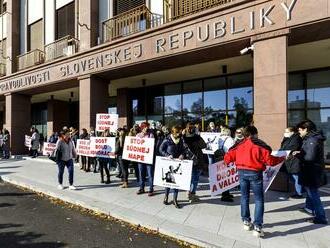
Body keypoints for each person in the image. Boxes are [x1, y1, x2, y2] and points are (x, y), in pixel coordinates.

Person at [224, 126, 285, 237]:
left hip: (242, 172)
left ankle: (246, 221)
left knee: (244, 197)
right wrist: (282, 158)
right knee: (258, 199)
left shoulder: (238, 144)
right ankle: (257, 227)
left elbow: (227, 158)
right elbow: (270, 161)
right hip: (255, 173)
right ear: (254, 134)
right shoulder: (259, 145)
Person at [293, 120, 328, 225]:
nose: (299, 132)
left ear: (306, 129)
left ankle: (321, 217)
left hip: (311, 172)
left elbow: (309, 157)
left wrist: (298, 155)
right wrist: (301, 152)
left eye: (300, 130)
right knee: (312, 194)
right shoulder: (313, 138)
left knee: (314, 196)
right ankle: (313, 211)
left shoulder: (311, 140)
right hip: (313, 171)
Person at [159, 125, 188, 208]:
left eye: (179, 132)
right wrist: (167, 155)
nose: (179, 134)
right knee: (168, 182)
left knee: (177, 182)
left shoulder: (181, 140)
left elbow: (184, 149)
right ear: (174, 132)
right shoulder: (167, 139)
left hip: (178, 162)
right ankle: (166, 197)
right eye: (178, 132)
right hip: (169, 162)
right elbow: (161, 149)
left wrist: (182, 154)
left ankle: (175, 199)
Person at [182, 122, 207, 203]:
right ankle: (191, 194)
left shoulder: (185, 137)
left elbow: (204, 145)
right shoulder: (194, 137)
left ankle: (189, 193)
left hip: (191, 160)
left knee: (191, 178)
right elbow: (203, 145)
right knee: (194, 178)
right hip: (194, 160)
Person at [280, 127, 303, 199]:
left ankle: (298, 193)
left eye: (287, 132)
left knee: (296, 178)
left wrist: (284, 152)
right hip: (288, 161)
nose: (285, 133)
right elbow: (283, 147)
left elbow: (293, 147)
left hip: (294, 161)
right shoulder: (286, 139)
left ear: (292, 132)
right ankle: (298, 191)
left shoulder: (296, 138)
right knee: (290, 177)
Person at [136, 122, 155, 196]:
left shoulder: (151, 135)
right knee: (141, 174)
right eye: (145, 127)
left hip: (148, 158)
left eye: (147, 127)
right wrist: (141, 137)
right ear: (142, 128)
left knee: (150, 174)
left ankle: (151, 189)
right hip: (140, 158)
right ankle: (141, 188)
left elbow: (151, 145)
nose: (146, 128)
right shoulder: (138, 135)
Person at [218, 127, 235, 202]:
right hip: (228, 159)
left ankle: (226, 193)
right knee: (227, 177)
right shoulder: (230, 139)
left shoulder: (220, 138)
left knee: (223, 177)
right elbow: (232, 150)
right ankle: (225, 195)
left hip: (221, 159)